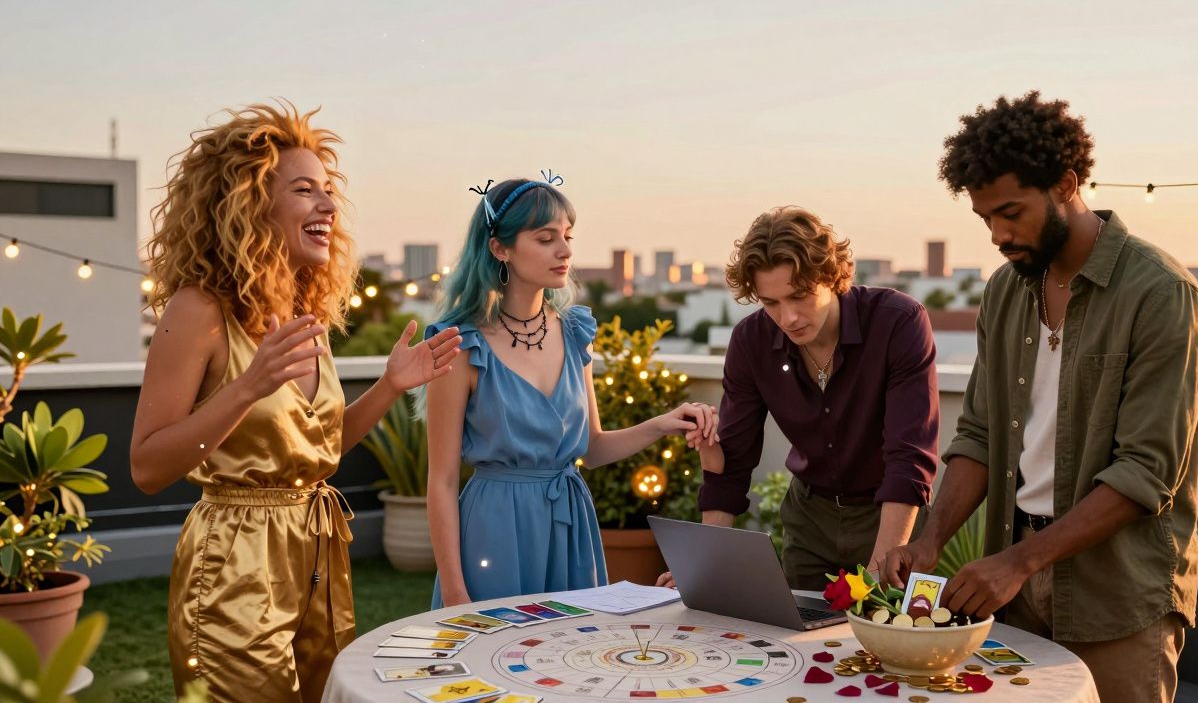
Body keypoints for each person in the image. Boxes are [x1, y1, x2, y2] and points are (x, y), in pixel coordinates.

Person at [882, 92, 1198, 703]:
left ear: (1066, 183)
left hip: (1117, 593)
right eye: (985, 219)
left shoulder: (1161, 294)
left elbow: (1145, 473)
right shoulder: (1006, 291)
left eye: (1011, 213)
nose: (998, 235)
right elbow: (979, 433)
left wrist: (1019, 562)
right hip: (1011, 584)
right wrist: (930, 538)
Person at [130, 102, 462, 701]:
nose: (329, 207)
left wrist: (390, 387)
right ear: (250, 204)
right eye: (305, 190)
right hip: (234, 563)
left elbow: (318, 448)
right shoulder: (198, 311)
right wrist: (248, 387)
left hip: (314, 554)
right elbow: (148, 467)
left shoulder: (301, 315)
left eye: (329, 190)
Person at [423, 173, 717, 608]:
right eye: (545, 238)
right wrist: (454, 589)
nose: (565, 251)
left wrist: (660, 425)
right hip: (495, 531)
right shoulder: (460, 345)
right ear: (499, 248)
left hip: (570, 530)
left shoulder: (575, 332)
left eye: (567, 236)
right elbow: (442, 481)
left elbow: (592, 448)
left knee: (565, 665)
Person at [661, 206, 939, 592]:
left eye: (800, 296)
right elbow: (734, 463)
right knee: (801, 645)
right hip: (809, 519)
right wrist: (705, 564)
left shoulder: (898, 321)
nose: (788, 317)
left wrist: (878, 575)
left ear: (832, 277)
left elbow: (910, 458)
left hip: (890, 515)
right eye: (770, 303)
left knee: (888, 641)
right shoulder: (751, 342)